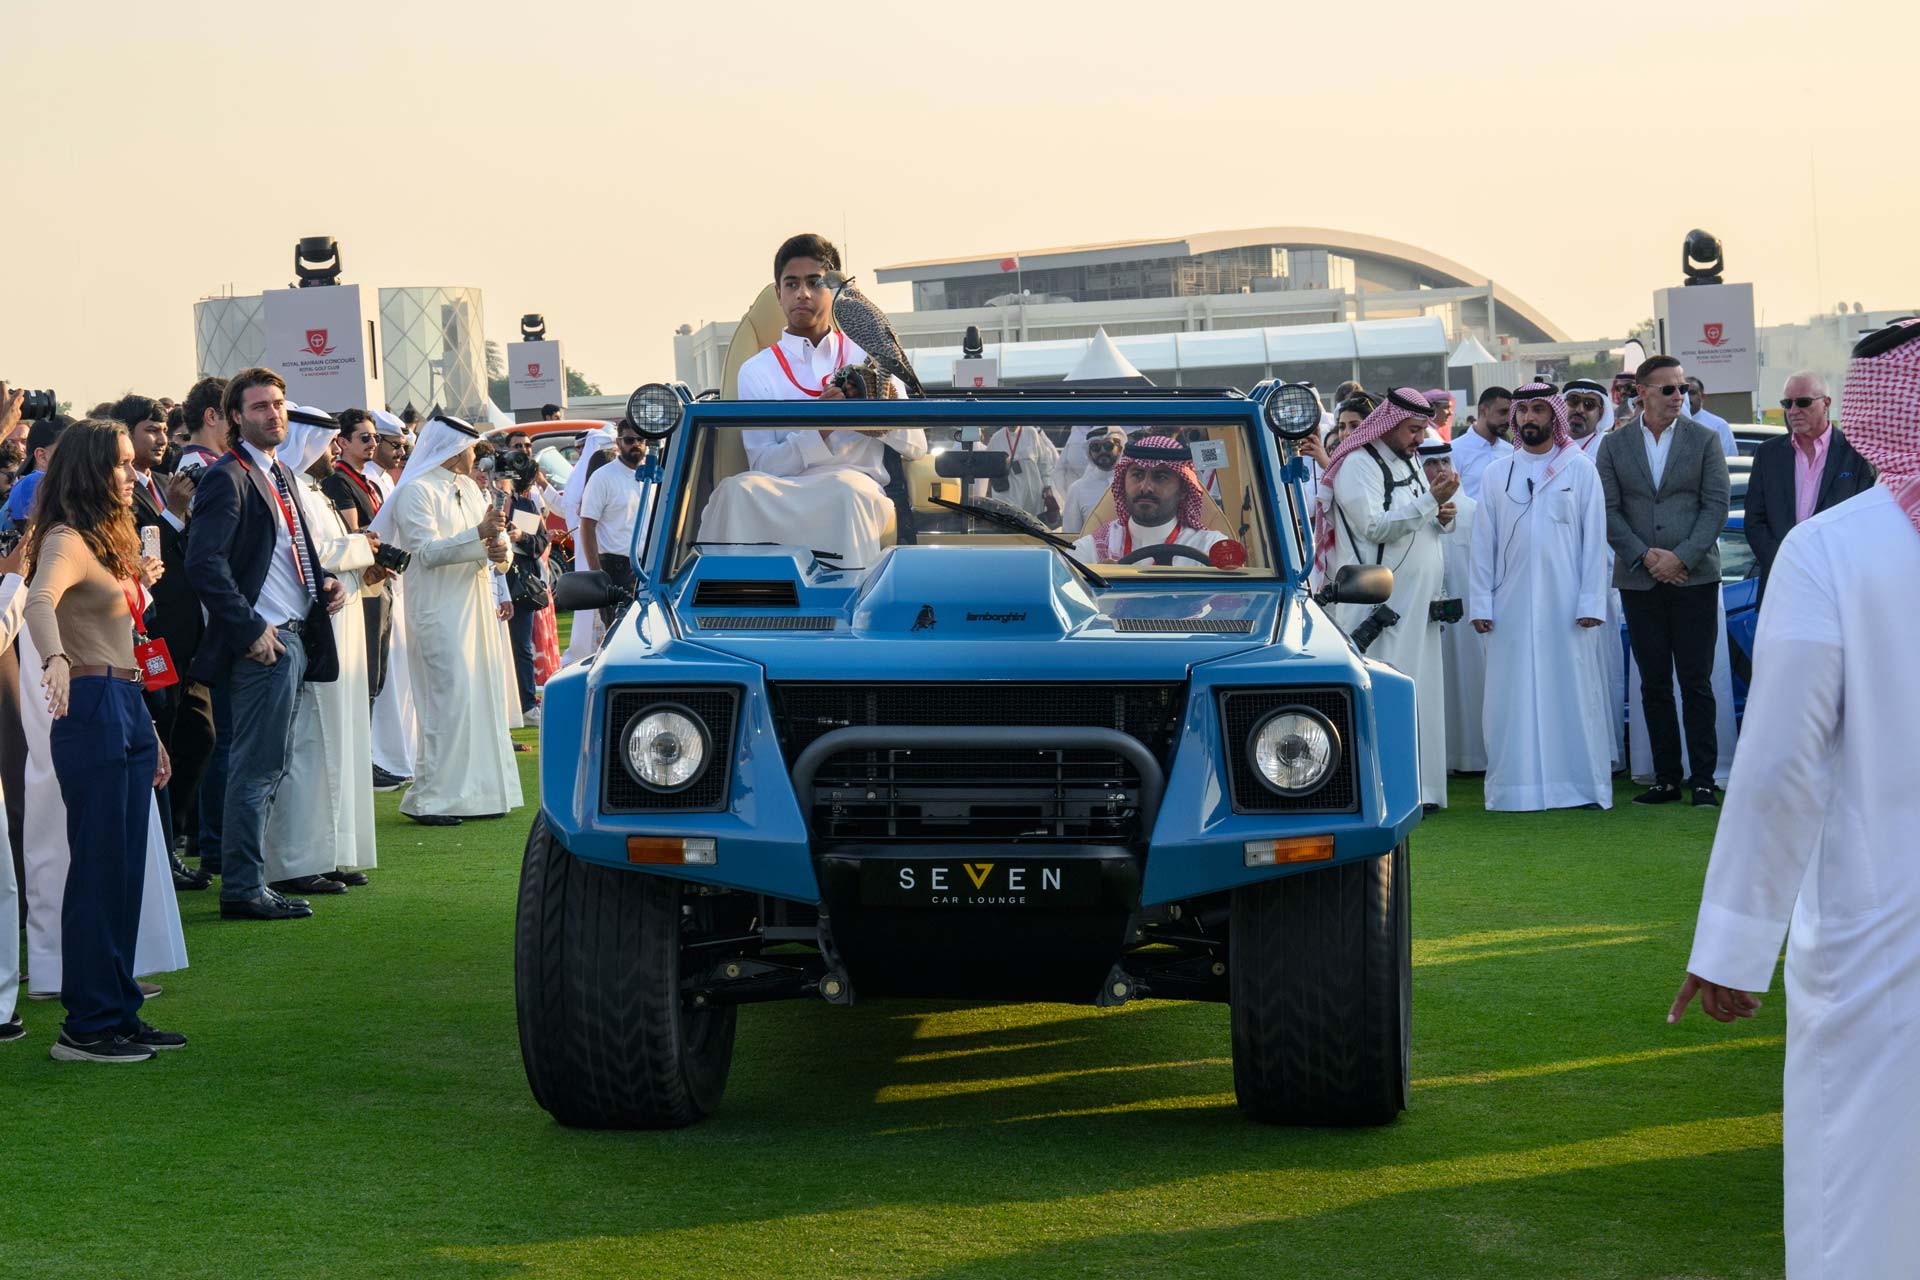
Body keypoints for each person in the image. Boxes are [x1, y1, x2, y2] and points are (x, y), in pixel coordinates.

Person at [1668, 316, 1920, 1280]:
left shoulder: (1829, 552)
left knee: (1864, 1194)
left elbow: (1780, 766)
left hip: (1880, 936)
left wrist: (1733, 949)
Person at [22, 419, 184, 1062]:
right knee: (98, 869)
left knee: (122, 872)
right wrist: (54, 658)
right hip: (89, 703)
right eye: (119, 463)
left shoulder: (101, 538)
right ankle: (85, 1026)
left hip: (123, 703)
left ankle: (117, 1011)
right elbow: (38, 602)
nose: (130, 472)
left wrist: (148, 730)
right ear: (92, 469)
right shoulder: (64, 537)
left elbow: (126, 642)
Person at [185, 368, 344, 920]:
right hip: (264, 648)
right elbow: (203, 565)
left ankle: (252, 883)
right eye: (259, 407)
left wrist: (323, 585)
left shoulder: (280, 475)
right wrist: (250, 628)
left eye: (278, 404)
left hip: (296, 637)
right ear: (235, 417)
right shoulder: (225, 477)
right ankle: (243, 890)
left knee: (268, 767)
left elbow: (283, 553)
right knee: (255, 770)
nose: (272, 414)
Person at [701, 234, 928, 568]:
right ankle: (727, 609)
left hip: (854, 486)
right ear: (778, 294)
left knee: (845, 492)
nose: (802, 294)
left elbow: (917, 445)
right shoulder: (756, 370)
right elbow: (764, 465)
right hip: (779, 490)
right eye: (791, 284)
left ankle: (848, 612)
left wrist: (872, 418)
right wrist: (821, 430)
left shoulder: (868, 355)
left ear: (833, 289)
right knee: (736, 490)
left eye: (814, 282)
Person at [369, 412, 523, 827]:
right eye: (470, 447)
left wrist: (500, 552)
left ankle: (478, 795)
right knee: (446, 702)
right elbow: (424, 554)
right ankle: (430, 800)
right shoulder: (415, 492)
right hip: (438, 610)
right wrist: (478, 537)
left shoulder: (469, 490)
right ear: (452, 448)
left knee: (477, 699)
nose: (474, 454)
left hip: (475, 608)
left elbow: (496, 542)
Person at [1467, 385, 1613, 811]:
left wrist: (1591, 603)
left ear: (1554, 416)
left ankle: (1579, 788)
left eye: (1537, 410)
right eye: (1523, 410)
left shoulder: (1580, 469)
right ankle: (1517, 791)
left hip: (1568, 607)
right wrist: (1481, 604)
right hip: (1509, 606)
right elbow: (1483, 545)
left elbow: (1594, 542)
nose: (1530, 417)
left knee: (1571, 693)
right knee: (1511, 697)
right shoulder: (1498, 474)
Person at [1595, 356, 1729, 806]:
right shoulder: (1613, 446)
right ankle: (1667, 779)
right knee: (1653, 682)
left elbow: (1716, 507)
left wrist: (1681, 558)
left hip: (1694, 577)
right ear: (1643, 393)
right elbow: (1608, 511)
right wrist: (1644, 556)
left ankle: (1704, 779)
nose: (1679, 397)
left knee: (1695, 680)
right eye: (1669, 389)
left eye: (1683, 389)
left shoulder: (1705, 439)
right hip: (1639, 579)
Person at [1312, 389, 1453, 809]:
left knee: (1419, 689)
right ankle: (1388, 792)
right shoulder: (1358, 464)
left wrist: (1442, 514)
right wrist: (1433, 501)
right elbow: (1373, 527)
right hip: (1379, 604)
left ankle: (1421, 790)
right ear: (1390, 425)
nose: (1418, 439)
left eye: (1422, 430)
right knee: (1388, 693)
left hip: (1416, 604)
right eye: (1413, 430)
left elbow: (1414, 518)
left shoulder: (1405, 459)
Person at [264, 408, 380, 893]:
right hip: (314, 627)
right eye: (329, 442)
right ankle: (295, 861)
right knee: (310, 747)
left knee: (340, 741)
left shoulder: (312, 490)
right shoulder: (288, 489)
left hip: (343, 625)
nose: (335, 451)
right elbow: (314, 553)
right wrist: (365, 546)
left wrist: (361, 550)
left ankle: (333, 852)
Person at [117, 395, 212, 888]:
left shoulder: (158, 484)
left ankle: (173, 841)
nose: (159, 438)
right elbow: (141, 556)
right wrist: (174, 515)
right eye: (150, 429)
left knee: (194, 736)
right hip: (145, 641)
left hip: (175, 639)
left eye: (162, 429)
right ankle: (165, 851)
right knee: (167, 740)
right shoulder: (124, 495)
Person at [1744, 371, 1875, 604]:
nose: (1793, 411)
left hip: (1837, 586)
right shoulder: (1768, 454)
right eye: (1787, 403)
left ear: (1826, 403)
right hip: (1782, 584)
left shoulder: (1856, 453)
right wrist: (1786, 563)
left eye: (1803, 402)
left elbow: (1864, 524)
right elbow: (1755, 521)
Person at [1562, 377, 1626, 768]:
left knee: (1601, 664)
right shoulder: (1552, 452)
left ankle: (1605, 753)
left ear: (1602, 413)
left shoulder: (1609, 448)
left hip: (1602, 573)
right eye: (1572, 403)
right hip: (1559, 576)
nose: (1579, 411)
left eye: (1589, 404)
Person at [1422, 432, 1486, 774]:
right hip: (1425, 614)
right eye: (1430, 463)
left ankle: (1475, 757)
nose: (1439, 470)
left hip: (1468, 617)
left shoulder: (1475, 511)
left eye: (1445, 461)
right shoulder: (1412, 514)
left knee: (1471, 677)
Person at [1069, 436, 1228, 564]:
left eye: (1160, 477)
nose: (1145, 487)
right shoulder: (1092, 549)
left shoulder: (1210, 546)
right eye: (1137, 475)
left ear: (1183, 490)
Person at [364, 412, 415, 789]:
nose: (399, 452)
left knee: (385, 676)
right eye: (391, 444)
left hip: (390, 587)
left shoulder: (383, 479)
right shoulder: (348, 481)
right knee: (370, 678)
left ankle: (388, 754)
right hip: (366, 588)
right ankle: (374, 757)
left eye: (403, 446)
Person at [578, 423, 651, 605]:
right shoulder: (603, 477)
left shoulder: (653, 476)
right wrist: (597, 574)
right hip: (616, 568)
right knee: (617, 628)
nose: (635, 444)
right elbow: (587, 525)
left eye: (640, 439)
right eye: (629, 440)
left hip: (650, 566)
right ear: (618, 443)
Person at [979, 423, 1061, 525]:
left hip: (1031, 495)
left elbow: (1044, 463)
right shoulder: (997, 438)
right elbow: (987, 467)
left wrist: (1047, 486)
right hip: (1007, 495)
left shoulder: (1031, 433)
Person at [1451, 387, 1513, 501]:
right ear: (1483, 410)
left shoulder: (1511, 452)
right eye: (1503, 412)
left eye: (1511, 413)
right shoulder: (1454, 451)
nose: (1508, 420)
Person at [8, 414, 70, 529]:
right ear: (42, 456)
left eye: (24, 441)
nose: (19, 448)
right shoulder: (36, 483)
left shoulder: (26, 483)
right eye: (72, 448)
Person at [1061, 427, 1125, 533]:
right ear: (1089, 453)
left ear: (1119, 449)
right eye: (1096, 447)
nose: (1102, 451)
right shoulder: (1077, 489)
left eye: (1108, 446)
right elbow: (1071, 535)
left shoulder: (1131, 484)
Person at [174, 376, 227, 474]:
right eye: (234, 416)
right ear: (211, 416)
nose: (240, 424)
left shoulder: (189, 461)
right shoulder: (215, 470)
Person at [1683, 376, 1736, 456]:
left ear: (1703, 397)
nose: (1686, 397)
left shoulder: (1718, 425)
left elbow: (1729, 460)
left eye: (1692, 393)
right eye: (1683, 392)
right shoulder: (1669, 424)